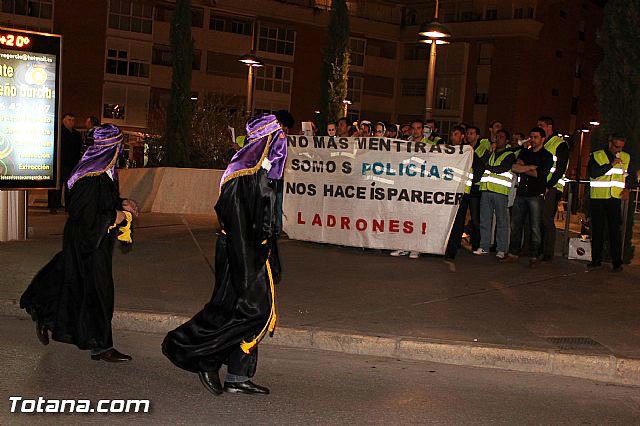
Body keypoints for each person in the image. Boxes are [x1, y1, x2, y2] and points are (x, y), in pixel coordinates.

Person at [162, 114, 288, 396]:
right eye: (278, 136)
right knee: (251, 312)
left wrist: (271, 258)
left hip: (257, 251)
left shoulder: (261, 169)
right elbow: (238, 224)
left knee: (241, 311)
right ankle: (202, 355)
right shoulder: (241, 172)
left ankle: (237, 375)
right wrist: (247, 266)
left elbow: (266, 220)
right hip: (240, 252)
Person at [20, 124, 139, 362]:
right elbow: (82, 213)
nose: (120, 151)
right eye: (118, 147)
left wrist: (121, 203)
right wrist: (112, 216)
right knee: (97, 292)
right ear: (109, 148)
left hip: (92, 240)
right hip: (88, 242)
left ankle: (47, 315)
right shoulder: (89, 178)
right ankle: (101, 346)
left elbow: (99, 202)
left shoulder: (102, 173)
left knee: (77, 288)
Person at [507, 127, 553, 267]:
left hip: (535, 194)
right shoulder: (525, 152)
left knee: (535, 227)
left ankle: (534, 256)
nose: (532, 140)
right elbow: (514, 167)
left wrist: (525, 168)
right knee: (515, 225)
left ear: (542, 139)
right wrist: (530, 167)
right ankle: (513, 253)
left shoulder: (546, 156)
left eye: (535, 137)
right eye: (531, 137)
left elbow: (539, 175)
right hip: (521, 193)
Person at [587, 135, 632, 271]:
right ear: (610, 144)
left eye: (621, 147)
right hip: (598, 198)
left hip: (614, 197)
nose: (619, 150)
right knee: (598, 230)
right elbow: (594, 173)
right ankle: (596, 259)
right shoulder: (596, 155)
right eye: (617, 146)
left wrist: (627, 188)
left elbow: (629, 175)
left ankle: (617, 261)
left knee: (614, 230)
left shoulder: (626, 157)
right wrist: (610, 164)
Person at [475, 129, 516, 259]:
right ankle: (484, 246)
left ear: (507, 140)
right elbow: (480, 163)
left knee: (502, 222)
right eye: (497, 137)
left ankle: (501, 249)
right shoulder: (491, 153)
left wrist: (487, 168)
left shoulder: (510, 154)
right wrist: (489, 153)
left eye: (501, 137)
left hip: (500, 192)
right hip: (486, 190)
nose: (498, 139)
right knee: (485, 220)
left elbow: (502, 168)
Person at [537, 116, 569, 261]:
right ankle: (538, 249)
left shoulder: (559, 144)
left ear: (549, 126)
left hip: (552, 187)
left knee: (546, 219)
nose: (539, 128)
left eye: (541, 125)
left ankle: (547, 252)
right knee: (538, 219)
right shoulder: (541, 142)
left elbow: (560, 168)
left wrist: (549, 186)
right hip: (540, 186)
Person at [444, 126, 473, 259]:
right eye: (452, 134)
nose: (453, 137)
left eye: (456, 134)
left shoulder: (468, 151)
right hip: (448, 191)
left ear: (462, 136)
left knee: (457, 223)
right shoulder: (447, 150)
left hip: (462, 193)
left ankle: (452, 250)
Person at [48, 113, 83, 213]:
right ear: (64, 120)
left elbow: (78, 149)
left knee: (70, 186)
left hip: (72, 164)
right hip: (59, 163)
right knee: (56, 185)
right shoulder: (58, 132)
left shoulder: (76, 134)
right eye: (69, 120)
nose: (71, 122)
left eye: (73, 120)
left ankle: (68, 206)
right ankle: (53, 206)